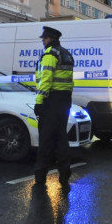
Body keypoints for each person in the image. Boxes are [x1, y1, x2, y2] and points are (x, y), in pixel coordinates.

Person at [34, 26, 75, 186]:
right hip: (64, 100)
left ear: (50, 38)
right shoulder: (66, 54)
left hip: (51, 100)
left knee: (46, 138)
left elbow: (46, 79)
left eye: (44, 38)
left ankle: (40, 175)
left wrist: (39, 101)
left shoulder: (50, 54)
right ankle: (65, 174)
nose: (43, 41)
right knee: (61, 137)